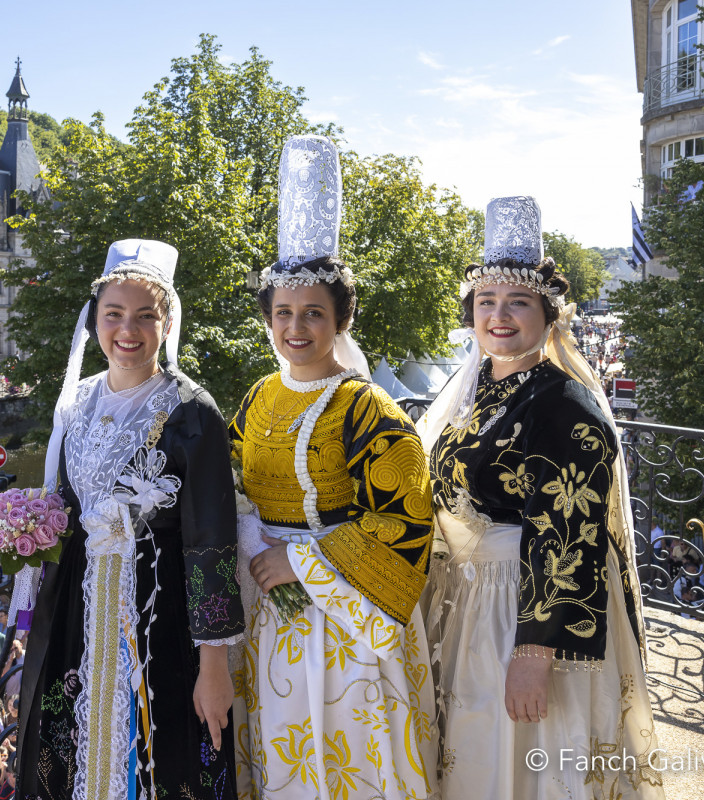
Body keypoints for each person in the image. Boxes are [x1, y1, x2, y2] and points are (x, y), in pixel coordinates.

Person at [417, 196, 664, 799]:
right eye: (486, 302)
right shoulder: (477, 393)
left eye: (517, 302)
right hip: (469, 603)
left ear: (548, 316)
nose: (498, 316)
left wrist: (533, 653)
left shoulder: (561, 404)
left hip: (521, 613)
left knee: (519, 754)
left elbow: (570, 535)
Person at [229, 135, 437, 799]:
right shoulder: (261, 395)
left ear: (340, 318)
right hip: (268, 610)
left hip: (344, 621)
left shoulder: (366, 406)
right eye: (283, 313)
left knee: (349, 758)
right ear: (268, 319)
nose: (296, 327)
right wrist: (253, 541)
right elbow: (229, 482)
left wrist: (303, 564)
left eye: (313, 313)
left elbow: (407, 513)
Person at [16, 239, 243, 800]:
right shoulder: (78, 401)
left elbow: (211, 544)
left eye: (146, 316)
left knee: (158, 759)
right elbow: (62, 506)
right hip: (76, 613)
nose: (128, 330)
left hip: (159, 622)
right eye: (113, 314)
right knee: (70, 752)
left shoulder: (193, 413)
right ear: (95, 320)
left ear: (167, 323)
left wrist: (215, 665)